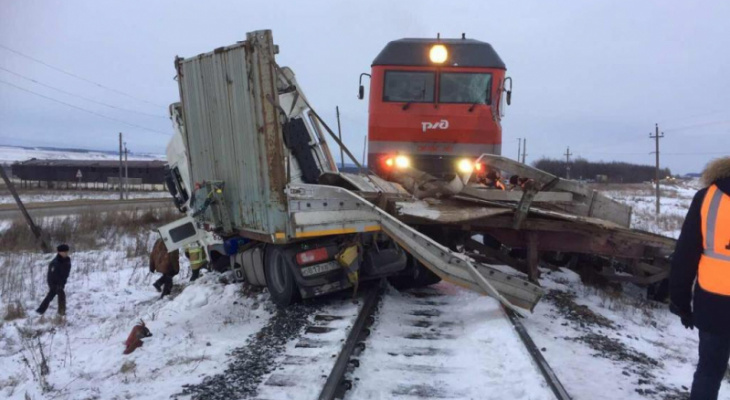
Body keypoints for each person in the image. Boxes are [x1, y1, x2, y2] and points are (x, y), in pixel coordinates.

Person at [669, 156, 730, 400]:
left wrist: (680, 302)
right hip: (712, 303)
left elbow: (685, 254)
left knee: (709, 370)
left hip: (713, 303)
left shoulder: (707, 197)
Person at [36, 244, 71, 316]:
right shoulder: (55, 263)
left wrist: (63, 282)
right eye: (64, 252)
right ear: (60, 252)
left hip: (61, 283)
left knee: (50, 296)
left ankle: (40, 310)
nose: (66, 253)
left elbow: (66, 273)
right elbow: (50, 276)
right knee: (61, 295)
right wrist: (53, 285)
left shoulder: (67, 261)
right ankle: (61, 313)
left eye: (66, 252)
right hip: (54, 283)